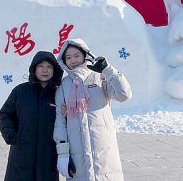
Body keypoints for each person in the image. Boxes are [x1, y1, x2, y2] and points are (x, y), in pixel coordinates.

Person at [54, 38, 131, 181]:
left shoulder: (100, 77)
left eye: (76, 55)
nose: (73, 60)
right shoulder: (64, 85)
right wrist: (63, 154)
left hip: (103, 146)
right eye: (68, 57)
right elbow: (60, 121)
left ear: (85, 55)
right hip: (77, 150)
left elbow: (124, 95)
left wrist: (108, 69)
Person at [0, 51, 64, 181]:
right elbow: (5, 114)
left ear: (54, 70)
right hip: (22, 154)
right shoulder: (20, 91)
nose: (45, 70)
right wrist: (11, 135)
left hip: (48, 155)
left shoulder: (59, 94)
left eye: (49, 67)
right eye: (41, 66)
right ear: (34, 68)